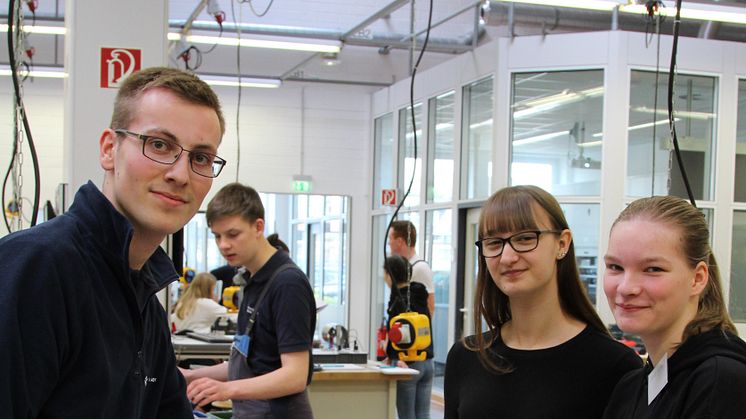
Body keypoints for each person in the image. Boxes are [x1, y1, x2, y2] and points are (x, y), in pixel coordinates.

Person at [0, 67, 226, 418]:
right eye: (159, 145)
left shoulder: (145, 307)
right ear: (109, 149)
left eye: (200, 158)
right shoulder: (39, 268)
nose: (180, 174)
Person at [443, 185, 641, 419]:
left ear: (562, 243)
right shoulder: (466, 357)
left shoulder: (614, 366)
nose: (507, 257)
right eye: (494, 243)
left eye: (526, 238)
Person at [602, 196, 746, 419]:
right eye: (615, 267)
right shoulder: (632, 386)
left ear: (697, 278)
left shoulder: (719, 381)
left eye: (652, 269)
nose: (626, 287)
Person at [181, 183, 316, 418]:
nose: (223, 244)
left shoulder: (287, 284)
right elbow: (251, 365)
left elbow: (295, 376)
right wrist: (193, 376)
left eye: (233, 234)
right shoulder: (251, 281)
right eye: (217, 236)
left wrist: (226, 389)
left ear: (258, 226)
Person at [384, 255, 434, 419]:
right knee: (423, 414)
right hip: (427, 362)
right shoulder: (420, 295)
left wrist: (392, 356)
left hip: (406, 363)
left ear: (390, 275)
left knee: (407, 416)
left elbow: (397, 335)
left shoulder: (398, 301)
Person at [388, 220, 435, 316]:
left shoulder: (420, 268)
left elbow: (430, 307)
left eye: (390, 239)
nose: (389, 243)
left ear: (399, 242)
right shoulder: (402, 268)